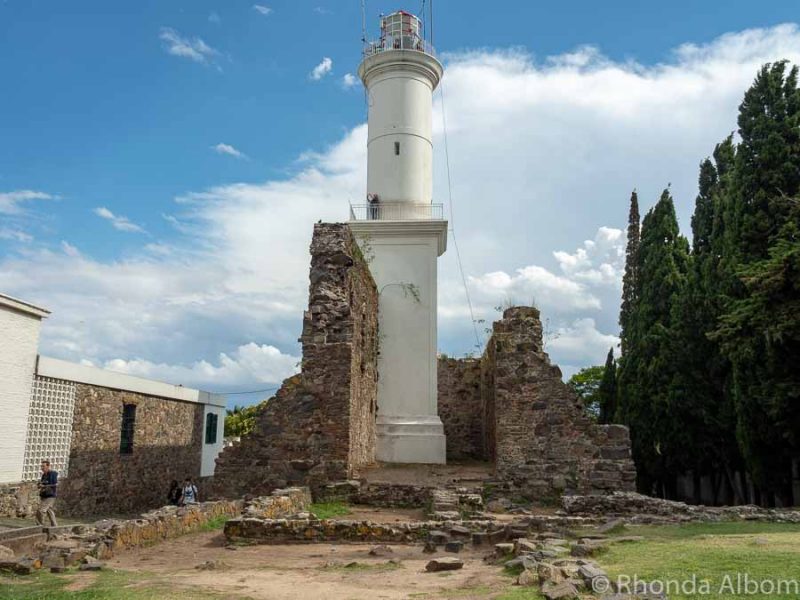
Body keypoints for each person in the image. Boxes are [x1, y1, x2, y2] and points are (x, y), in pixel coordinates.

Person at [36, 460, 58, 527]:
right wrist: (40, 485)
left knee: (41, 511)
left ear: (48, 466)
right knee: (50, 511)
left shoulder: (53, 474)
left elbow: (55, 484)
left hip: (50, 496)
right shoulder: (43, 475)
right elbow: (43, 483)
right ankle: (55, 527)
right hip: (44, 495)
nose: (42, 468)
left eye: (43, 466)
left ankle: (40, 526)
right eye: (41, 466)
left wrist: (45, 486)